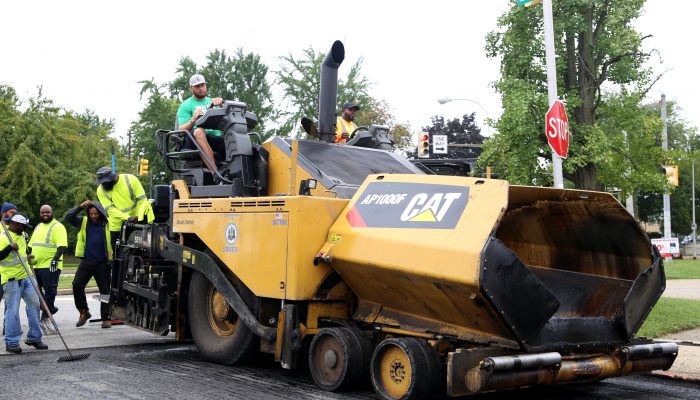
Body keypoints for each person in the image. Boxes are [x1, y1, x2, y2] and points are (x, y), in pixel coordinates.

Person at [0, 214, 47, 353]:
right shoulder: (3, 237)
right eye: (23, 226)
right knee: (13, 311)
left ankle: (34, 338)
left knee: (35, 305)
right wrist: (9, 248)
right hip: (11, 279)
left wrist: (28, 257)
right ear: (14, 224)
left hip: (27, 276)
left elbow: (20, 255)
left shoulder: (22, 235)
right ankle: (11, 342)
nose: (25, 229)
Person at [64, 200, 112, 328]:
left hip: (102, 262)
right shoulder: (83, 221)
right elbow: (68, 217)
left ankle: (106, 318)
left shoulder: (107, 223)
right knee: (77, 285)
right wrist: (80, 207)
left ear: (101, 213)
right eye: (91, 214)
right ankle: (84, 312)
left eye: (96, 213)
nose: (93, 216)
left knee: (104, 292)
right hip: (87, 261)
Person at [28, 204, 67, 334]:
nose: (45, 214)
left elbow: (62, 246)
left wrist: (55, 259)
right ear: (40, 213)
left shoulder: (58, 227)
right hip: (37, 265)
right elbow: (31, 246)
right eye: (43, 212)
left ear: (52, 212)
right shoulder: (38, 226)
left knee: (50, 292)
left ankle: (45, 318)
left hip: (50, 266)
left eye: (47, 212)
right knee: (37, 292)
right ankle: (51, 309)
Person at [177, 74, 225, 178]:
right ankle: (216, 174)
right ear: (191, 88)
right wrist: (193, 120)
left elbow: (228, 119)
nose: (201, 88)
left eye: (202, 85)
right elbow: (180, 131)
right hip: (193, 139)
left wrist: (222, 106)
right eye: (197, 86)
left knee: (234, 140)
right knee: (199, 131)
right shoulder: (186, 105)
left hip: (213, 139)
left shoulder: (213, 102)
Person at [95, 166, 155, 250]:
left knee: (140, 249)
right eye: (101, 183)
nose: (103, 185)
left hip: (136, 222)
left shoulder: (131, 179)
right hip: (117, 225)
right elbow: (110, 209)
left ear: (112, 178)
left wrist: (140, 217)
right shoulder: (100, 190)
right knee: (117, 253)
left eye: (105, 183)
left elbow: (143, 201)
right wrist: (128, 217)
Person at [0, 202, 17, 304]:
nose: (14, 215)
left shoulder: (14, 228)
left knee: (9, 301)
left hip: (9, 273)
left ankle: (7, 320)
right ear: (4, 213)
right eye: (12, 213)